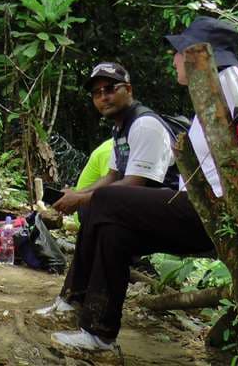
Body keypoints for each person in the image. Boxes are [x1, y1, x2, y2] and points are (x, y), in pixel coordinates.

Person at [45, 17, 238, 361]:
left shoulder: (233, 83)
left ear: (201, 54)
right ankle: (98, 336)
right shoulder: (213, 88)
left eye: (179, 52)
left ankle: (73, 298)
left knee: (104, 201)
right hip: (198, 206)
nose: (174, 59)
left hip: (217, 211)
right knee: (113, 233)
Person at [35, 63, 177, 329]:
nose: (103, 97)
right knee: (93, 211)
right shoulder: (120, 128)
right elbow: (112, 176)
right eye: (97, 92)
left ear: (129, 90)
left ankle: (88, 318)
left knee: (102, 216)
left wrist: (81, 200)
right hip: (138, 208)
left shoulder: (145, 125)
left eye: (110, 89)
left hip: (169, 208)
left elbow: (133, 184)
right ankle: (73, 302)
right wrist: (78, 194)